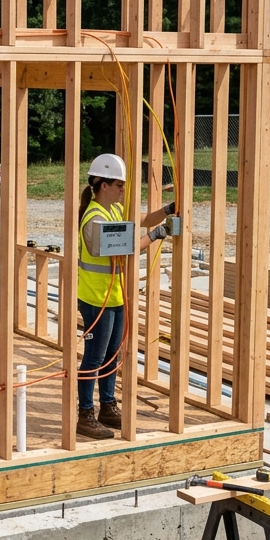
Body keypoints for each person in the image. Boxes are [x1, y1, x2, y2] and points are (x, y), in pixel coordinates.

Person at [76, 153, 175, 440]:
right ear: (103, 185)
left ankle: (107, 406)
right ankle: (85, 414)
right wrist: (158, 234)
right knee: (94, 359)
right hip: (96, 299)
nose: (123, 189)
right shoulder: (94, 217)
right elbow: (126, 247)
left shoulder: (114, 212)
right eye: (119, 185)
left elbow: (142, 220)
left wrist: (168, 209)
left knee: (113, 355)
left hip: (116, 296)